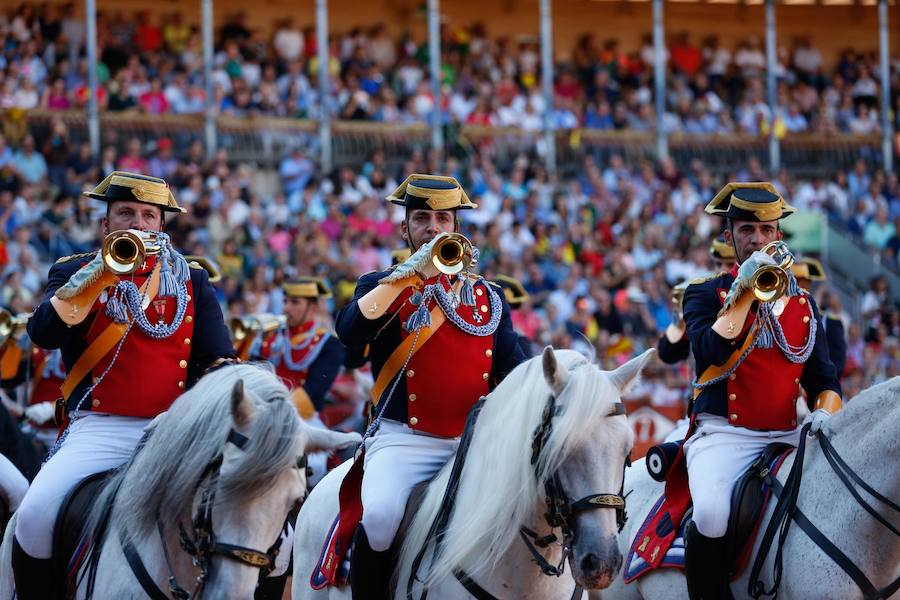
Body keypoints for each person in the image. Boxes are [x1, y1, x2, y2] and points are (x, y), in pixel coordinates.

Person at [11, 172, 235, 599]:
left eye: (149, 215)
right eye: (125, 213)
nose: (137, 223)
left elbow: (218, 361)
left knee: (262, 530)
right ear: (106, 225)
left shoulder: (192, 280)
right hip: (98, 428)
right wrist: (100, 271)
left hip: (172, 431)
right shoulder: (74, 270)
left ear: (162, 226)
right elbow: (43, 334)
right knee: (34, 517)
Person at [335, 174, 528, 599]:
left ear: (456, 229)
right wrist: (409, 276)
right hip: (403, 440)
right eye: (422, 218)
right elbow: (349, 333)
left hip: (471, 444)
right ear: (404, 228)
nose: (434, 227)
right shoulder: (379, 285)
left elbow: (515, 373)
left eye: (443, 218)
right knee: (382, 517)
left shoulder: (490, 297)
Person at [680, 182, 841, 600]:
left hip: (789, 434)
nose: (757, 238)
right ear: (728, 235)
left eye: (766, 230)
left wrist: (826, 410)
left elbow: (824, 378)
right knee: (712, 515)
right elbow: (709, 349)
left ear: (778, 236)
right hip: (725, 436)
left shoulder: (803, 303)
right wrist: (745, 294)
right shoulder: (702, 293)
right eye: (747, 229)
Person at [254, 276, 346, 485]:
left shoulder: (328, 344)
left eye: (295, 302)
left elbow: (313, 394)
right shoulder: (270, 338)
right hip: (262, 412)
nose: (286, 308)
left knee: (315, 465)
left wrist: (270, 414)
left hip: (303, 417)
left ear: (312, 307)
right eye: (286, 301)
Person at [791, 257, 847, 378]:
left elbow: (837, 364)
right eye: (796, 280)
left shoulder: (831, 322)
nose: (800, 286)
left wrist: (824, 387)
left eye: (804, 282)